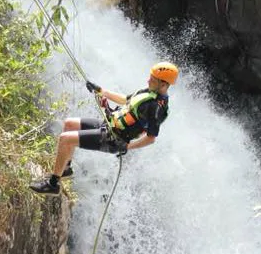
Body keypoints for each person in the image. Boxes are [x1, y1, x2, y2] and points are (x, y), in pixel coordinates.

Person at [29, 62, 178, 196]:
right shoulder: (148, 92)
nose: (148, 80)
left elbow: (151, 138)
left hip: (114, 139)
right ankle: (65, 168)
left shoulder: (155, 107)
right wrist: (101, 91)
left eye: (152, 79)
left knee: (65, 139)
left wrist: (127, 146)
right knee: (69, 123)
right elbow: (125, 100)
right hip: (108, 126)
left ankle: (53, 184)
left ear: (163, 84)